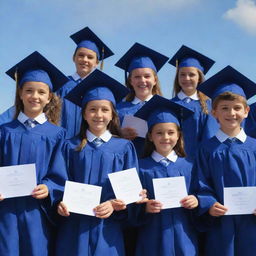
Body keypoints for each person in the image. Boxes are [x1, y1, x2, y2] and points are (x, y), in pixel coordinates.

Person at [55, 69, 141, 256]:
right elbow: (58, 181)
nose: (98, 115)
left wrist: (113, 204)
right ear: (84, 114)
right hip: (74, 227)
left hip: (108, 229)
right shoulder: (70, 146)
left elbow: (131, 193)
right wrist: (59, 202)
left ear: (112, 115)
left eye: (104, 110)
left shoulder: (124, 148)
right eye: (92, 109)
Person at [0, 51, 68, 256]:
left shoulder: (58, 135)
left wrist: (49, 187)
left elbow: (61, 173)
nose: (34, 96)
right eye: (29, 90)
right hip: (6, 210)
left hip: (38, 212)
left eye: (41, 92)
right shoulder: (4, 131)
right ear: (20, 94)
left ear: (49, 98)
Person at [193, 65, 256, 256]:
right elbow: (200, 184)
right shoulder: (206, 149)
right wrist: (209, 205)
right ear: (214, 113)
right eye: (225, 108)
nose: (231, 113)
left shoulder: (254, 147)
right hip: (221, 225)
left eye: (237, 108)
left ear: (246, 111)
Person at [134, 95, 198, 256]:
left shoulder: (190, 167)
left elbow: (202, 195)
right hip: (152, 238)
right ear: (150, 136)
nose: (166, 137)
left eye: (171, 132)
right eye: (159, 133)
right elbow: (130, 207)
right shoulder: (139, 168)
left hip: (185, 237)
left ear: (178, 135)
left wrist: (196, 200)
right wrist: (143, 207)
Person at [57, 26, 114, 138]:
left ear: (97, 62)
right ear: (74, 58)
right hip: (62, 143)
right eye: (81, 55)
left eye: (90, 57)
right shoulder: (62, 85)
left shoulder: (101, 90)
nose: (85, 60)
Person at [115, 42, 169, 158]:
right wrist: (119, 134)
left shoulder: (165, 108)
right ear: (130, 81)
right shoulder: (118, 109)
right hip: (127, 165)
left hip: (156, 166)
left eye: (147, 76)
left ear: (155, 80)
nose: (142, 81)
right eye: (137, 77)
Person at [169, 45, 218, 162]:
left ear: (199, 78)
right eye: (182, 74)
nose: (186, 78)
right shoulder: (169, 105)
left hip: (201, 163)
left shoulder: (208, 105)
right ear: (177, 77)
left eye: (191, 74)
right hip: (175, 164)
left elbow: (210, 137)